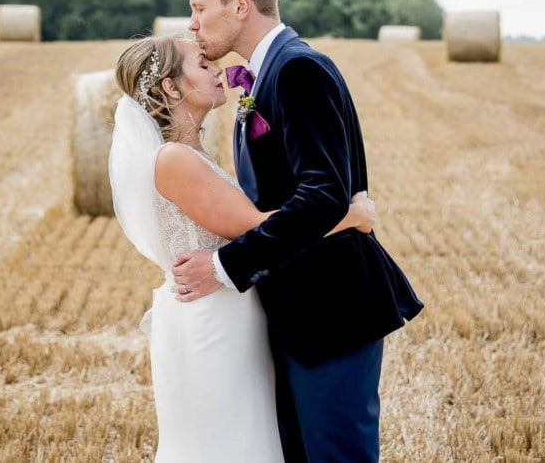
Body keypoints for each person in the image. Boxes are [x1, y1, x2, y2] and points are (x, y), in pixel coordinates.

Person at [171, 0, 424, 462]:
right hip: (294, 314)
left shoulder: (298, 70)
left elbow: (323, 194)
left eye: (200, 8)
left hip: (330, 312)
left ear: (240, 6)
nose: (192, 23)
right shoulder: (265, 76)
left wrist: (223, 265)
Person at [109, 34, 378, 463]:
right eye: (201, 65)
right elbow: (254, 227)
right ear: (172, 88)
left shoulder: (191, 153)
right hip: (212, 322)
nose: (217, 69)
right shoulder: (174, 158)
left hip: (229, 311)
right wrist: (351, 216)